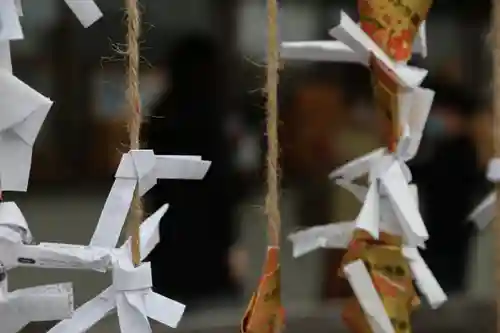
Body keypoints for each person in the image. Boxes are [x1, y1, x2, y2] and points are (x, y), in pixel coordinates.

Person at [142, 34, 240, 309]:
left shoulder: (161, 116)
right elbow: (220, 189)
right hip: (207, 248)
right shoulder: (210, 120)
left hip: (167, 244)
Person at [409, 79, 489, 294]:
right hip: (434, 232)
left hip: (454, 233)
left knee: (449, 285)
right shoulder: (438, 148)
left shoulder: (462, 151)